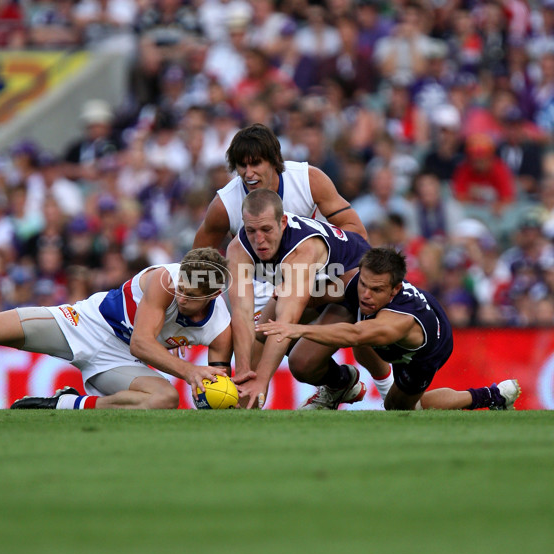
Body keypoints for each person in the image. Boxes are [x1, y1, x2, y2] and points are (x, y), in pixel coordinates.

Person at [0, 248, 232, 410]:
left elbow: (219, 385)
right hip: (82, 324)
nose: (181, 298)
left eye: (191, 295)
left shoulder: (219, 328)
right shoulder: (164, 280)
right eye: (181, 288)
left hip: (120, 362)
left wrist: (220, 398)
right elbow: (142, 344)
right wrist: (190, 371)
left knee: (166, 398)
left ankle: (64, 404)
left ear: (214, 294)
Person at [256, 247, 521, 411]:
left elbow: (355, 335)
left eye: (376, 290)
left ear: (395, 289)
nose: (366, 295)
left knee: (401, 408)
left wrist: (296, 329)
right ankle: (341, 385)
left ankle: (490, 395)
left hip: (425, 351)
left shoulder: (399, 322)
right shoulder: (359, 283)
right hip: (374, 329)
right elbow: (315, 296)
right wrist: (282, 298)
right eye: (364, 285)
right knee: (341, 316)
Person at [227, 189, 371, 409]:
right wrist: (244, 372)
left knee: (301, 363)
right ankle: (246, 410)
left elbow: (285, 322)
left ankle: (345, 383)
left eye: (266, 229)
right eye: (251, 230)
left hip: (353, 284)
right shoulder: (238, 248)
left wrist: (262, 381)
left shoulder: (301, 250)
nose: (259, 240)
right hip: (317, 285)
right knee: (261, 333)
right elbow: (241, 314)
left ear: (283, 222)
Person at [192, 122, 367, 250]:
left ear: (274, 160)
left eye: (256, 163)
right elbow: (196, 264)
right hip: (259, 287)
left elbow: (357, 234)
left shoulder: (309, 179)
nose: (248, 173)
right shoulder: (224, 204)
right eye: (242, 165)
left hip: (316, 275)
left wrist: (321, 254)